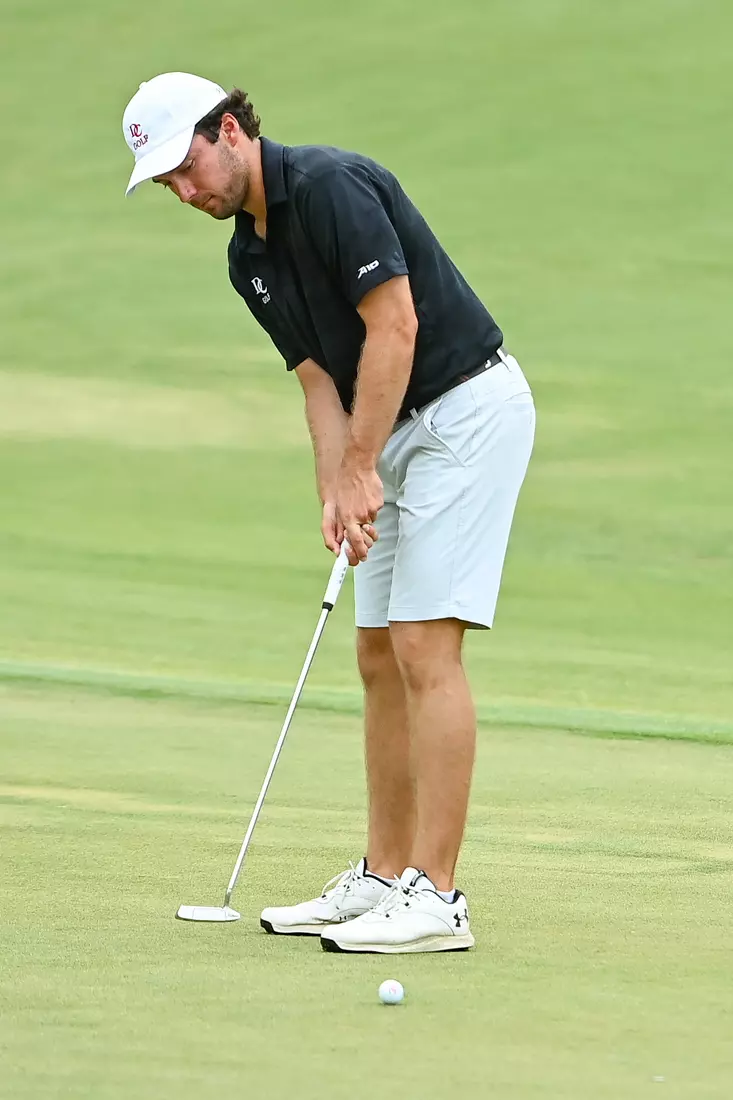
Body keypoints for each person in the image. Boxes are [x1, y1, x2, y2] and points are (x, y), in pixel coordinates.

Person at [122, 71, 536, 954]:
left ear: (229, 130)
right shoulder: (246, 259)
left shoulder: (329, 185)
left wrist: (359, 467)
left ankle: (439, 897)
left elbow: (395, 327)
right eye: (165, 184)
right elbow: (318, 382)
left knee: (423, 644)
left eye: (186, 166)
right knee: (376, 651)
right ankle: (384, 876)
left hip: (463, 412)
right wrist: (334, 491)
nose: (184, 192)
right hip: (387, 430)